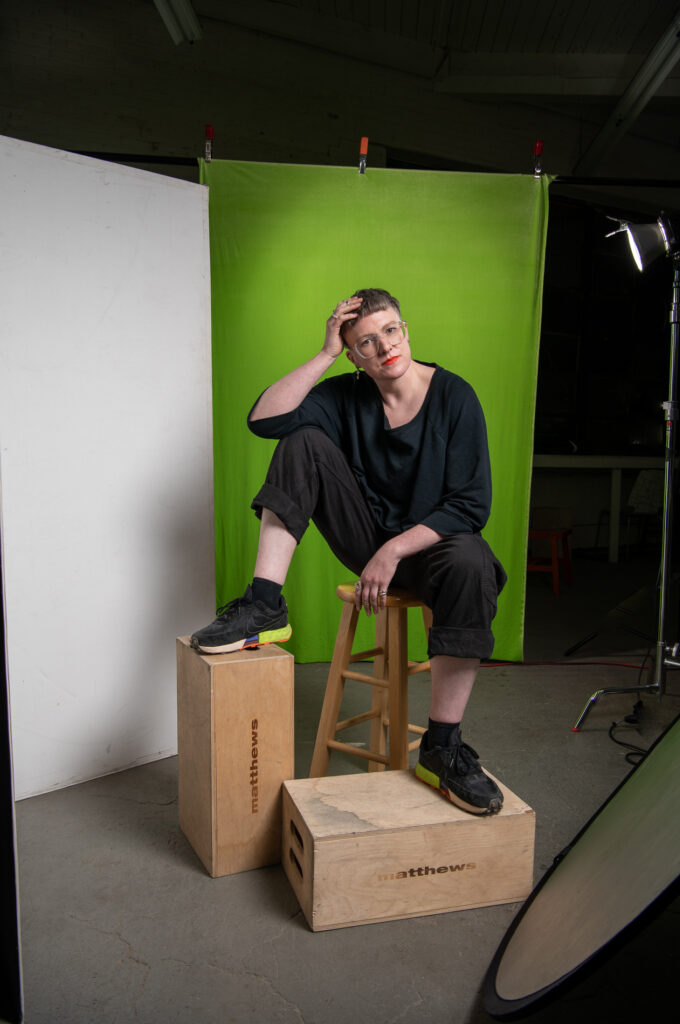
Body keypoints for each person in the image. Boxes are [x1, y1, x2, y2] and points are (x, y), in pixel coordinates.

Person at [191, 288, 507, 815]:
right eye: (366, 342)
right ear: (355, 354)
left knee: (473, 559)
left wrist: (392, 553)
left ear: (406, 330)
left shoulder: (455, 396)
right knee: (301, 441)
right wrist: (323, 355)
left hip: (432, 551)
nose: (385, 347)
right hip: (364, 536)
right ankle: (264, 603)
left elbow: (471, 504)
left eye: (391, 331)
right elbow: (264, 421)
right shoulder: (345, 393)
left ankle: (442, 747)